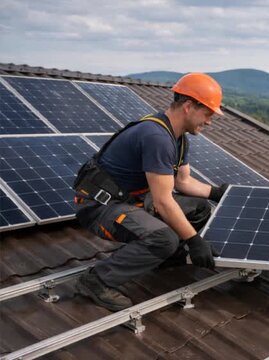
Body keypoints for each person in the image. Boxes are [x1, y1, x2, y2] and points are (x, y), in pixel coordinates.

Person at [73, 73, 229, 311]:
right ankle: (97, 280)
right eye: (208, 113)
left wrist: (217, 193)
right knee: (164, 238)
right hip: (100, 208)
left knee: (199, 208)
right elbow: (164, 201)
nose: (210, 121)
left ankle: (166, 257)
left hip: (130, 200)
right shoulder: (156, 137)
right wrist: (194, 240)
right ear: (188, 106)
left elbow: (183, 182)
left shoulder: (177, 138)